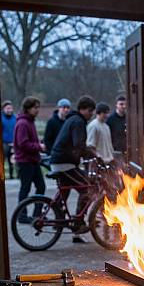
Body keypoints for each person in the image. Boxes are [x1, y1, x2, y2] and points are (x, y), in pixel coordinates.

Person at [50, 95, 96, 242]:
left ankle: (59, 218)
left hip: (60, 161)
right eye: (90, 111)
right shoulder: (78, 122)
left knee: (65, 190)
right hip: (65, 163)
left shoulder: (72, 119)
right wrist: (92, 155)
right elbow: (78, 144)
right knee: (88, 188)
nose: (91, 114)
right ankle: (78, 222)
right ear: (83, 109)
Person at [13, 96, 45, 223]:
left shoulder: (30, 121)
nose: (37, 110)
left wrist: (38, 144)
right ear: (28, 108)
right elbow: (23, 144)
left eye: (38, 107)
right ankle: (21, 215)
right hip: (25, 161)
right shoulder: (23, 123)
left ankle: (37, 214)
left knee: (41, 187)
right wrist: (39, 146)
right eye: (35, 108)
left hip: (33, 160)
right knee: (25, 188)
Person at [1, 100, 16, 178]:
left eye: (11, 108)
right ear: (3, 109)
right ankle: (2, 176)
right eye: (8, 108)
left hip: (14, 143)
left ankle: (12, 176)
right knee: (2, 160)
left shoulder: (15, 118)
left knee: (13, 161)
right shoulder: (0, 118)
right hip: (4, 143)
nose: (10, 110)